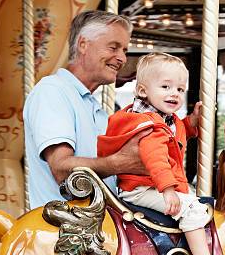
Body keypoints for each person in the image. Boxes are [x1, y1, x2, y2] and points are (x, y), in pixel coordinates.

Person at [98, 52, 225, 255]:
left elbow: (176, 134)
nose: (174, 94)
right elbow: (156, 158)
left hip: (150, 185)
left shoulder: (163, 118)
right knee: (192, 208)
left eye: (179, 89)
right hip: (144, 188)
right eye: (165, 86)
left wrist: (193, 124)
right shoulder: (149, 126)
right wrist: (168, 190)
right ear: (143, 91)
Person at [24, 11, 150, 209]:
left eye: (124, 50)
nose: (122, 58)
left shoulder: (92, 105)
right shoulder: (53, 91)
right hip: (64, 229)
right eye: (113, 47)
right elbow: (61, 168)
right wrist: (120, 163)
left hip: (95, 227)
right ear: (83, 44)